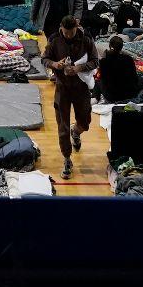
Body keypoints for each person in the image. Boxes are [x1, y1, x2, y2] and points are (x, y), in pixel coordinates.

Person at [42, 14, 98, 180]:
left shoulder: (86, 38)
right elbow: (44, 58)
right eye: (65, 32)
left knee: (85, 122)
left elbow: (96, 61)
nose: (67, 36)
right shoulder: (54, 39)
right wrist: (55, 64)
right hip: (62, 87)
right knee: (62, 127)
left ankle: (77, 131)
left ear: (76, 28)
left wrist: (79, 68)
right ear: (61, 28)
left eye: (70, 33)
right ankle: (67, 159)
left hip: (81, 87)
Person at [95, 35, 142, 104]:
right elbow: (134, 77)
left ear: (109, 46)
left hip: (112, 96)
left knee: (97, 81)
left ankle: (95, 98)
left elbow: (103, 78)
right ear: (122, 47)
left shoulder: (104, 61)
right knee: (142, 80)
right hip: (130, 94)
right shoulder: (128, 59)